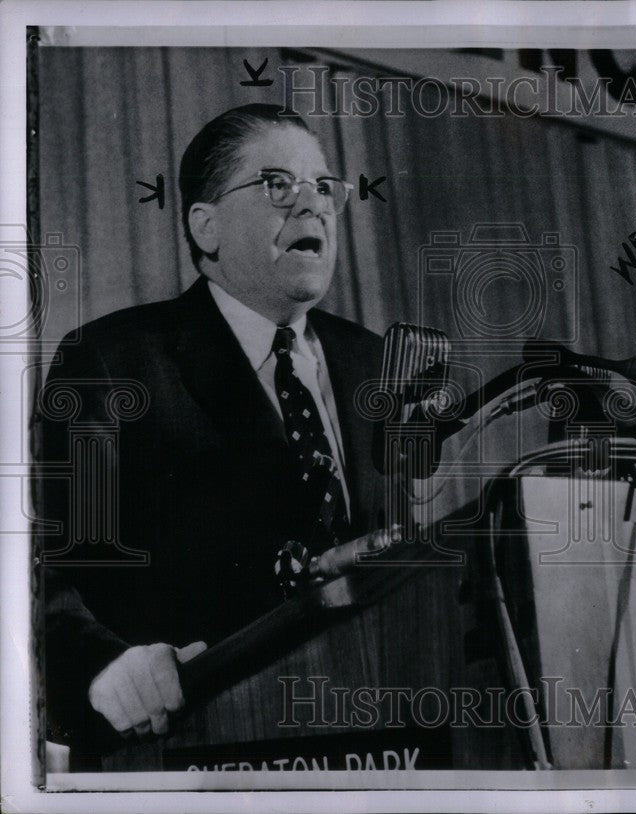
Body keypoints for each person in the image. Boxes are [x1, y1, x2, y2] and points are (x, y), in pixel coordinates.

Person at [35, 104, 394, 760]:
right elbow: (52, 574)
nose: (312, 206)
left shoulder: (373, 364)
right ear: (207, 227)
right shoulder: (112, 363)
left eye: (324, 188)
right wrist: (106, 667)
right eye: (279, 185)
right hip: (189, 748)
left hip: (374, 735)